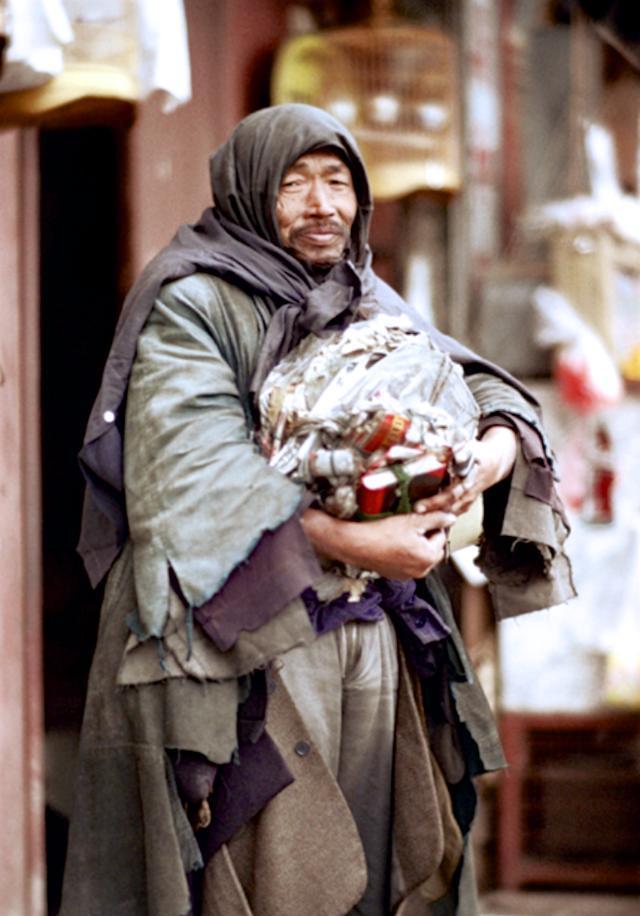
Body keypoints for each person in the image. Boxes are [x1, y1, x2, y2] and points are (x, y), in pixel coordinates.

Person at [60, 104, 575, 916]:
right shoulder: (193, 301)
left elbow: (478, 384)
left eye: (337, 182)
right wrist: (360, 543)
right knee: (261, 870)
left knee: (368, 859)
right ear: (248, 191)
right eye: (294, 184)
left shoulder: (364, 297)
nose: (321, 204)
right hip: (230, 634)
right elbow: (192, 478)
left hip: (366, 623)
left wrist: (488, 454)